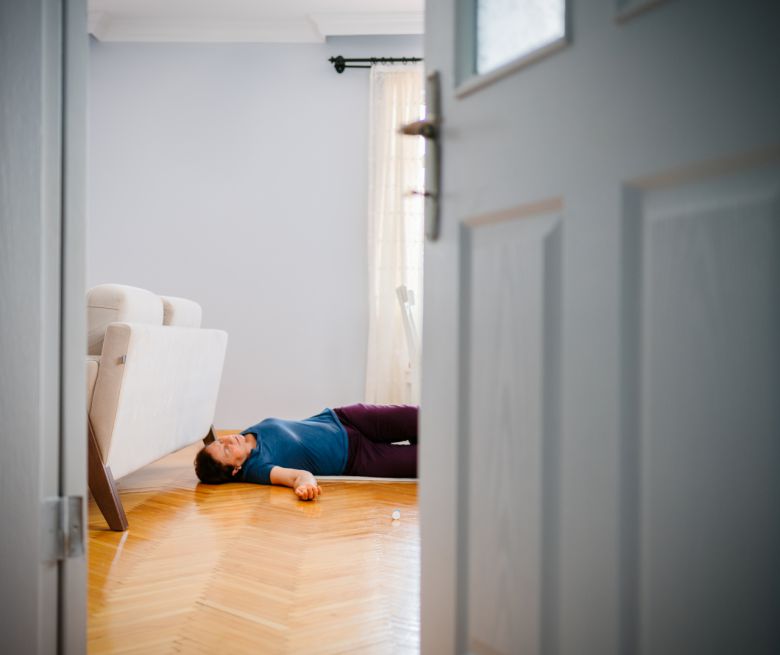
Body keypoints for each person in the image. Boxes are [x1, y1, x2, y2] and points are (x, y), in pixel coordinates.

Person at [194, 404, 418, 500]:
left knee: (421, 417)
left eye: (220, 441)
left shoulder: (243, 439)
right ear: (235, 469)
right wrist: (306, 485)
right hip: (357, 457)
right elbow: (297, 476)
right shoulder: (257, 468)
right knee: (429, 459)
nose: (228, 440)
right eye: (225, 449)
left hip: (344, 419)